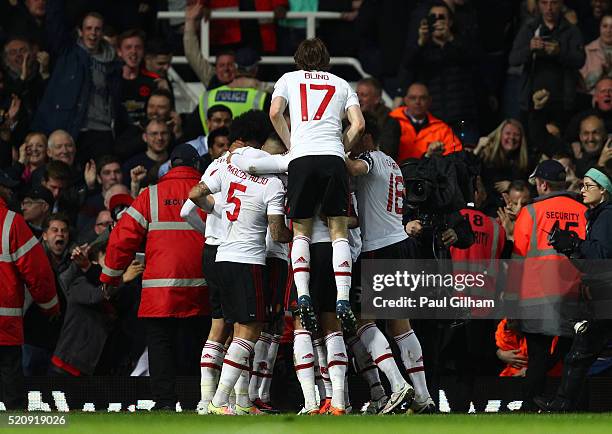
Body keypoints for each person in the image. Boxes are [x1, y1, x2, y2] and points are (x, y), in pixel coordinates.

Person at [187, 133, 291, 416]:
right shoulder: (272, 185)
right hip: (248, 261)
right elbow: (276, 231)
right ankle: (220, 400)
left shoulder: (229, 169)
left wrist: (217, 211)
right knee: (251, 331)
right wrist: (296, 233)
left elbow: (194, 194)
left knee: (228, 329)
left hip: (221, 256)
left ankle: (236, 402)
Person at [100, 144, 210, 411]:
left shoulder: (151, 196)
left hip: (160, 291)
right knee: (203, 347)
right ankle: (201, 402)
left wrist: (110, 277)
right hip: (203, 287)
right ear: (197, 166)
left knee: (161, 347)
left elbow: (121, 240)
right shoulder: (212, 193)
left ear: (170, 166)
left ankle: (164, 403)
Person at [269, 37, 365, 333]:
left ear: (298, 59)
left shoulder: (288, 78)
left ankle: (304, 294)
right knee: (338, 230)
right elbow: (359, 124)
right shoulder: (342, 83)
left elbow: (274, 113)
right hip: (333, 158)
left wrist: (291, 144)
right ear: (327, 59)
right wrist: (340, 147)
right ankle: (344, 298)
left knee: (301, 229)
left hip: (302, 157)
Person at [345, 114, 428, 414]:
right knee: (400, 326)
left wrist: (331, 148)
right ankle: (423, 396)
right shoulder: (393, 163)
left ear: (364, 136)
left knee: (363, 321)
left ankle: (397, 383)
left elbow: (354, 166)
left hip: (379, 250)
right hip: (401, 245)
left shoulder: (371, 158)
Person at [510, 159, 588, 410]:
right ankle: (570, 406)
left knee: (538, 357)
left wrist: (511, 303)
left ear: (543, 184)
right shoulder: (584, 209)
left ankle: (531, 406)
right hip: (575, 295)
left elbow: (517, 261)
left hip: (536, 295)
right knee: (572, 358)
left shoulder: (531, 211)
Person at [535, 166, 612, 411]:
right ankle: (563, 404)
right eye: (582, 185)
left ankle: (562, 404)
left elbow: (601, 258)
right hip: (602, 296)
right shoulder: (598, 216)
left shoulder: (607, 216)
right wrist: (571, 248)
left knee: (581, 353)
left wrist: (576, 244)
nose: (583, 190)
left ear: (604, 191)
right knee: (581, 352)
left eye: (589, 186)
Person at [32, 1, 124, 163]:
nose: (93, 33)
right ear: (80, 31)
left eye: (97, 29)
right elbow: (55, 22)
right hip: (74, 127)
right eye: (88, 28)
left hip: (102, 131)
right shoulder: (68, 52)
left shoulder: (114, 62)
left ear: (103, 32)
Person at [0, 170, 58, 409]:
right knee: (10, 395)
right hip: (4, 326)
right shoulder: (11, 222)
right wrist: (50, 305)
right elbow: (39, 273)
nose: (12, 193)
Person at [398, 1, 480, 146]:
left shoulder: (462, 41)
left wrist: (450, 39)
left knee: (467, 162)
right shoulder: (422, 48)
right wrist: (420, 43)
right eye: (433, 17)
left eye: (442, 17)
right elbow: (407, 67)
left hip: (463, 117)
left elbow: (475, 61)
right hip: (434, 119)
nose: (437, 21)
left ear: (450, 21)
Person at [508, 0, 585, 123]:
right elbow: (513, 59)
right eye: (544, 3)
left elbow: (580, 60)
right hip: (531, 99)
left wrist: (559, 52)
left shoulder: (571, 31)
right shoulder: (530, 28)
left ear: (561, 4)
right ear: (538, 5)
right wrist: (530, 48)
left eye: (553, 3)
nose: (549, 8)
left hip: (562, 100)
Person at [386, 83, 462, 163]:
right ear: (405, 100)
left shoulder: (442, 129)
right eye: (413, 98)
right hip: (398, 173)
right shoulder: (391, 121)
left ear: (429, 101)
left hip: (430, 173)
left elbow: (457, 156)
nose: (417, 102)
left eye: (422, 98)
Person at [117, 29, 162, 126]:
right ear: (119, 52)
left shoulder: (155, 81)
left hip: (146, 136)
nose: (133, 51)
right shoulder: (111, 81)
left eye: (138, 47)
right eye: (128, 47)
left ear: (143, 51)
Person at [580, 14, 612, 94]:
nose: (608, 30)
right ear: (599, 28)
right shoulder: (587, 50)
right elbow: (581, 86)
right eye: (605, 26)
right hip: (591, 100)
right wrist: (599, 72)